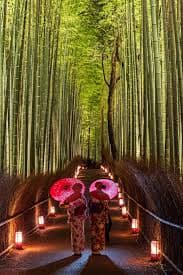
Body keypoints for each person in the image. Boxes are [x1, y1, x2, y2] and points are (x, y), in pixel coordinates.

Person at [63, 183, 87, 256]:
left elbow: (70, 207)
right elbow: (85, 206)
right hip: (80, 216)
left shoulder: (73, 197)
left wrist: (69, 205)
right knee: (80, 231)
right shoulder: (82, 196)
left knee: (76, 232)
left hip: (75, 217)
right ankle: (79, 248)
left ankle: (77, 250)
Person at [89, 181, 110, 255]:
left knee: (94, 232)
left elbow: (90, 205)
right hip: (101, 216)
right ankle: (98, 248)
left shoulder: (92, 194)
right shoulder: (105, 195)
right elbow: (106, 208)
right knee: (100, 232)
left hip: (94, 215)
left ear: (95, 186)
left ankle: (94, 249)